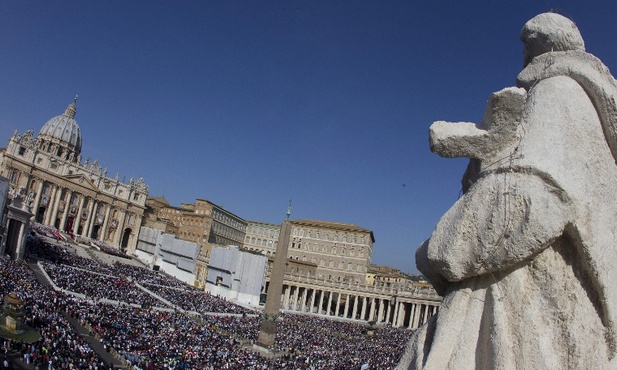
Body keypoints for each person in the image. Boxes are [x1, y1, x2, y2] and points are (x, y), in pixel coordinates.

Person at [398, 12, 617, 369]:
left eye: (527, 47)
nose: (523, 58)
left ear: (545, 47)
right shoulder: (583, 108)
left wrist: (438, 251)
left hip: (523, 308)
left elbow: (531, 198)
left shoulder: (557, 92)